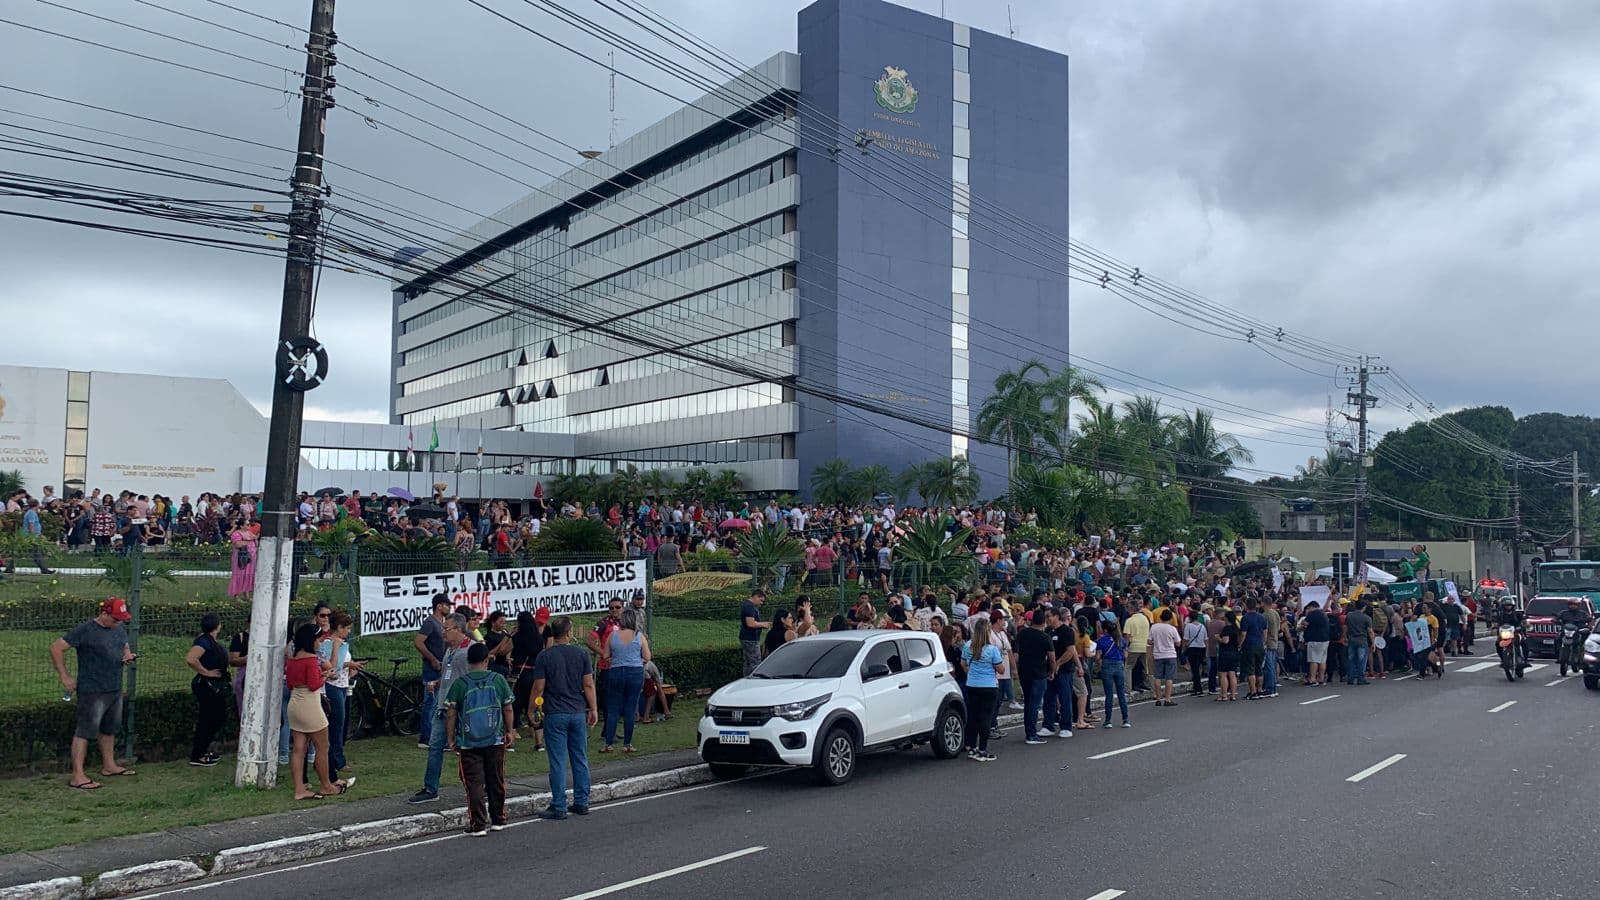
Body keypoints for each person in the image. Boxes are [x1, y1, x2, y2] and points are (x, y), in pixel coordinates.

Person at [50, 598, 137, 790]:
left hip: (113, 687)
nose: (119, 623)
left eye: (122, 619)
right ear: (104, 614)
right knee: (85, 731)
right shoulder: (85, 630)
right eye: (115, 619)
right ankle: (77, 776)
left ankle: (109, 765)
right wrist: (65, 677)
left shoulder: (119, 627)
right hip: (92, 689)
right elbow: (57, 647)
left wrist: (127, 655)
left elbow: (124, 644)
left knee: (109, 728)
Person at [445, 643, 515, 835]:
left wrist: (451, 738)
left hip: (468, 742)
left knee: (473, 783)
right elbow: (508, 707)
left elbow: (451, 713)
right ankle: (498, 819)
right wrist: (509, 731)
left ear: (468, 662)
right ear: (487, 660)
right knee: (496, 778)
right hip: (495, 739)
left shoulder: (460, 684)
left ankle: (478, 824)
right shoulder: (498, 680)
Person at [532, 616, 598, 820]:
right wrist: (593, 708)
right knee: (580, 757)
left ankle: (559, 804)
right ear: (569, 633)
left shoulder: (544, 656)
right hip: (577, 711)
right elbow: (588, 684)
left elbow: (539, 687)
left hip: (555, 712)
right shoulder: (581, 654)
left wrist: (532, 708)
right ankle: (582, 801)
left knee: (558, 761)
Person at [285, 622, 352, 801]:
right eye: (318, 638)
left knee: (299, 749)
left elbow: (290, 684)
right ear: (311, 640)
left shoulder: (292, 659)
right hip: (310, 704)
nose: (320, 642)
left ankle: (300, 789)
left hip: (295, 703)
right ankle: (326, 785)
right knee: (323, 747)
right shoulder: (310, 660)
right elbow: (314, 685)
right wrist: (326, 675)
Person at [409, 614, 470, 804]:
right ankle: (430, 787)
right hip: (442, 705)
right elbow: (449, 674)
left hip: (460, 708)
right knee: (435, 747)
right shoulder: (449, 650)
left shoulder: (471, 650)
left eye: (447, 629)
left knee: (467, 750)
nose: (443, 631)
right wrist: (438, 682)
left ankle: (477, 785)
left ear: (459, 630)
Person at [600, 608, 651, 754]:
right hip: (634, 672)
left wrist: (616, 659)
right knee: (630, 708)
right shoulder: (639, 636)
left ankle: (608, 743)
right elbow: (647, 657)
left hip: (616, 671)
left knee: (613, 708)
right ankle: (627, 744)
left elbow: (605, 655)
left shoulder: (612, 635)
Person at [318, 612, 361, 777]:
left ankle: (336, 758)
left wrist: (351, 669)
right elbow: (331, 667)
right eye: (347, 628)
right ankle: (336, 760)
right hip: (332, 686)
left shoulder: (343, 644)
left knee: (340, 724)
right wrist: (347, 664)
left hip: (342, 685)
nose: (348, 631)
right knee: (336, 725)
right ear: (339, 628)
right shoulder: (329, 644)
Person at [185, 612, 230, 767]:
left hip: (215, 685)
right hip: (208, 686)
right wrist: (205, 672)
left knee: (215, 718)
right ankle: (198, 754)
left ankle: (202, 751)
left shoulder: (210, 641)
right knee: (208, 719)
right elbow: (191, 658)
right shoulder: (204, 642)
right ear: (217, 626)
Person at [413, 593, 452, 750]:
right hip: (432, 668)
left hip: (441, 668)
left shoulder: (441, 623)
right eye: (447, 604)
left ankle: (434, 735)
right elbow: (418, 642)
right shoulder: (430, 622)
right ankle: (426, 737)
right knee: (430, 702)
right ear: (439, 606)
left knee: (437, 703)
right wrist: (432, 659)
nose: (449, 607)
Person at [961, 616, 1003, 761]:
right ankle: (982, 749)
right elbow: (1001, 669)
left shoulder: (968, 646)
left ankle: (972, 747)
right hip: (989, 686)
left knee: (973, 717)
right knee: (986, 717)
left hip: (972, 685)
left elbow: (963, 663)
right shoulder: (992, 650)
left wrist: (971, 673)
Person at [510, 609, 549, 750]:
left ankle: (511, 742)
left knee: (515, 707)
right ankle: (539, 743)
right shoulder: (539, 638)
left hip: (519, 675)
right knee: (536, 706)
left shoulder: (517, 637)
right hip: (535, 676)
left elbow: (508, 651)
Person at [1015, 610, 1055, 745]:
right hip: (1039, 673)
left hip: (1024, 671)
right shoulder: (1045, 637)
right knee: (1034, 704)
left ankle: (1029, 731)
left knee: (1028, 702)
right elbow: (1051, 657)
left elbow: (1016, 653)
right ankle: (1031, 734)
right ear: (1043, 621)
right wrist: (1052, 671)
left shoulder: (1022, 634)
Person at [586, 597, 625, 722]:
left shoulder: (626, 622)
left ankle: (610, 729)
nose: (614, 610)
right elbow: (589, 641)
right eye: (611, 608)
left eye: (617, 607)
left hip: (623, 665)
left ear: (623, 608)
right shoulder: (603, 623)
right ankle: (608, 730)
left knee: (619, 698)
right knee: (609, 698)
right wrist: (604, 654)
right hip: (608, 667)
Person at [1041, 608, 1076, 738]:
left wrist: (1058, 663)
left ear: (1056, 616)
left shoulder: (1067, 631)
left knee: (1064, 698)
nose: (1047, 619)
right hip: (1049, 671)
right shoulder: (1047, 631)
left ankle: (1066, 726)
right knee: (1049, 698)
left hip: (1064, 671)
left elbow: (1070, 650)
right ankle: (1048, 725)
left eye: (1049, 616)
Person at [1094, 618, 1131, 728]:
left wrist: (1098, 663)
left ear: (1105, 630)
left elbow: (1098, 657)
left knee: (1109, 694)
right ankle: (1125, 719)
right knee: (1121, 693)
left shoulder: (1101, 641)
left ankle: (1108, 720)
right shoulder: (1121, 640)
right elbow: (1125, 655)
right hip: (1119, 665)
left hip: (1107, 666)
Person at [1149, 608, 1182, 707]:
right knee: (1169, 677)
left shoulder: (1154, 627)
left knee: (1157, 677)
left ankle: (1158, 698)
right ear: (1171, 618)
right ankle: (1167, 699)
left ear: (1160, 617)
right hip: (1170, 654)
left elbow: (1149, 641)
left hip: (1158, 654)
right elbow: (1178, 643)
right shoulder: (1172, 629)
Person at [1240, 598, 1269, 700]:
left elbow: (1243, 634)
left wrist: (1240, 644)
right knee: (1259, 669)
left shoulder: (1245, 618)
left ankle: (1252, 691)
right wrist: (1264, 642)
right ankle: (1260, 689)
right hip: (1260, 644)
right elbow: (1265, 632)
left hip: (1249, 645)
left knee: (1250, 670)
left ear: (1246, 606)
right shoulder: (1262, 617)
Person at [738, 589, 769, 676]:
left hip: (746, 637)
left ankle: (747, 678)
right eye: (761, 600)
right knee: (755, 662)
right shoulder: (750, 607)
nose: (761, 603)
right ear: (756, 596)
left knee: (748, 662)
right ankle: (754, 680)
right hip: (750, 638)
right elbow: (750, 623)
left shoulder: (747, 605)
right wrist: (763, 624)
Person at [1344, 600, 1375, 686]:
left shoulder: (1349, 615)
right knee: (1361, 660)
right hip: (1362, 640)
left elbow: (1345, 627)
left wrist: (1345, 637)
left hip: (1351, 640)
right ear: (1364, 607)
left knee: (1351, 659)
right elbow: (1370, 631)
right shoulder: (1367, 618)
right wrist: (1373, 643)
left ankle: (1351, 678)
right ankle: (1361, 678)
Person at [1301, 601, 1331, 686]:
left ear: (1312, 607)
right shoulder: (1323, 614)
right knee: (1322, 660)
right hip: (1325, 640)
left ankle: (1312, 679)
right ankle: (1321, 678)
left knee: (1313, 660)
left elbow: (1304, 623)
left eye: (1308, 608)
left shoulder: (1313, 613)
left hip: (1315, 640)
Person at [1181, 608, 1208, 697]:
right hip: (1201, 648)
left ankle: (1198, 689)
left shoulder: (1188, 626)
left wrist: (1183, 649)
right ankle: (1196, 687)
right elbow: (1206, 639)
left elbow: (1185, 639)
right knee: (1198, 668)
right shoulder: (1202, 626)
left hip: (1192, 649)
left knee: (1194, 669)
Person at [227, 520, 257, 599]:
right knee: (239, 575)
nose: (249, 526)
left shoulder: (249, 533)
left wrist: (255, 539)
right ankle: (236, 595)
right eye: (247, 524)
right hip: (240, 558)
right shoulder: (236, 534)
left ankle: (246, 595)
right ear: (241, 526)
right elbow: (237, 544)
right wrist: (249, 540)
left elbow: (256, 544)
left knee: (248, 575)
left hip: (250, 558)